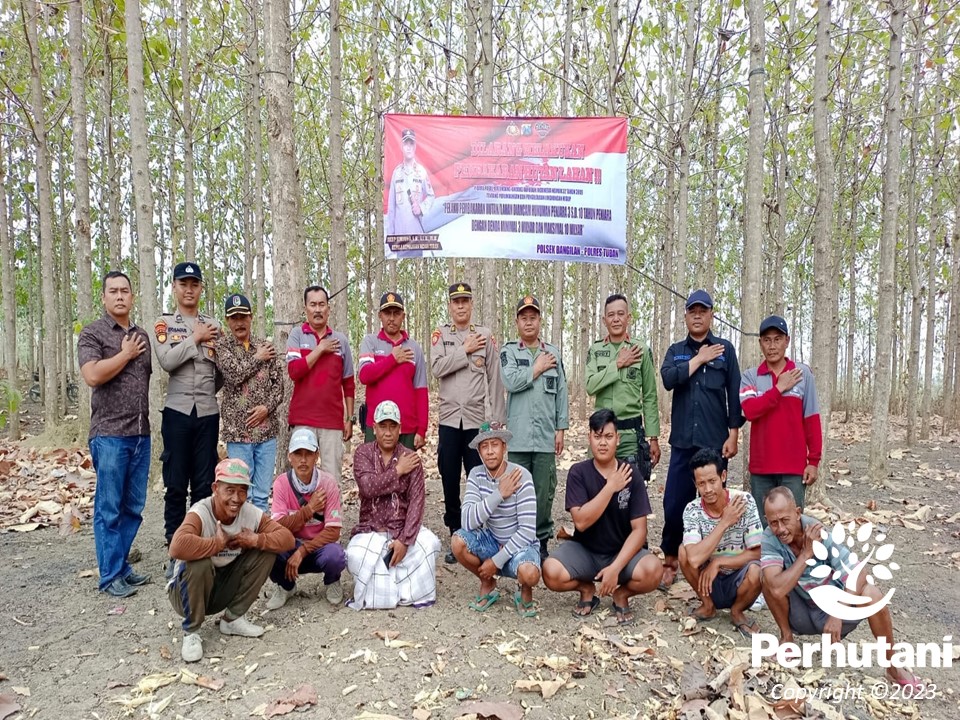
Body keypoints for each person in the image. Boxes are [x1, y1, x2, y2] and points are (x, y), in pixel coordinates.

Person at [760, 487, 921, 688]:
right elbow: (775, 589)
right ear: (767, 521)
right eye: (774, 523)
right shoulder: (769, 537)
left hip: (834, 610)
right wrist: (805, 554)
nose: (781, 529)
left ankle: (892, 667)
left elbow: (860, 573)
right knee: (766, 578)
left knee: (873, 594)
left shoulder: (818, 532)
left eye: (785, 520)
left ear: (798, 513)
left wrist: (837, 613)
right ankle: (787, 639)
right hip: (802, 611)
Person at [167, 458, 295, 662]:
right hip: (186, 594)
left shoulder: (250, 513)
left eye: (242, 491)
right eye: (230, 490)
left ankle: (233, 618)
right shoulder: (201, 512)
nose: (236, 498)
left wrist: (256, 539)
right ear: (215, 488)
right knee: (199, 562)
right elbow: (176, 547)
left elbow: (287, 539)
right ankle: (191, 631)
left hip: (221, 586)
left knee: (267, 549)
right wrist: (216, 545)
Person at [542, 409, 663, 625]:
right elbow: (581, 521)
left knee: (654, 570)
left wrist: (616, 568)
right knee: (550, 572)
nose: (602, 443)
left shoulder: (631, 473)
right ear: (589, 438)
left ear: (618, 439)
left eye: (608, 436)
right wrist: (610, 487)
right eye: (597, 436)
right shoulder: (578, 472)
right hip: (585, 551)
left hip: (622, 554)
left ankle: (621, 594)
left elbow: (640, 530)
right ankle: (586, 588)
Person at [659, 289, 743, 588]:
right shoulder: (676, 351)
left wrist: (734, 433)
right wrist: (698, 359)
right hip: (682, 442)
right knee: (674, 504)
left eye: (703, 310)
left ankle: (712, 560)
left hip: (714, 443)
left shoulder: (725, 350)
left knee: (713, 502)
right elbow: (669, 379)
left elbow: (735, 393)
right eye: (692, 310)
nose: (697, 315)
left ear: (711, 314)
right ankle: (671, 559)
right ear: (685, 315)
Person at [77, 270, 153, 598]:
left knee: (133, 506)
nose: (120, 296)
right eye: (113, 291)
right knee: (109, 507)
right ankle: (109, 576)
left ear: (132, 296)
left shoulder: (143, 336)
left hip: (140, 433)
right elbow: (92, 375)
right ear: (104, 297)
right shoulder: (92, 334)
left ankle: (121, 566)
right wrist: (124, 354)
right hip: (109, 434)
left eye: (125, 290)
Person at [431, 282, 506, 563]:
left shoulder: (485, 336)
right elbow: (437, 368)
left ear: (472, 304)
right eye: (456, 301)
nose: (461, 306)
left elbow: (495, 379)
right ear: (450, 306)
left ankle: (479, 535)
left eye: (465, 301)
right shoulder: (441, 335)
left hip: (477, 421)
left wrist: (497, 423)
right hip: (450, 420)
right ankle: (455, 533)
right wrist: (464, 350)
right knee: (449, 477)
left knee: (478, 478)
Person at [151, 261, 222, 553]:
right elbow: (167, 361)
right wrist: (195, 337)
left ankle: (202, 542)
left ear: (201, 289)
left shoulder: (215, 325)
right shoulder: (164, 324)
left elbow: (220, 372)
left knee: (205, 484)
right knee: (176, 484)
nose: (189, 290)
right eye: (184, 284)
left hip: (207, 412)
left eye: (194, 284)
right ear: (174, 287)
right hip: (178, 412)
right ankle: (175, 545)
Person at [345, 401, 440, 610]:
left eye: (392, 427)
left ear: (400, 429)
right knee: (355, 556)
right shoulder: (363, 453)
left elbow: (417, 502)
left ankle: (394, 588)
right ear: (374, 428)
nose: (388, 433)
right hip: (371, 531)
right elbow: (367, 488)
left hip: (401, 530)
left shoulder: (411, 458)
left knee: (429, 545)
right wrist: (397, 470)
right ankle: (394, 587)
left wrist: (405, 541)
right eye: (383, 426)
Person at [500, 295, 568, 558]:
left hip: (544, 436)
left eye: (533, 317)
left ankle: (540, 541)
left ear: (540, 320)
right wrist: (536, 369)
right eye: (523, 318)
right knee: (515, 490)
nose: (529, 322)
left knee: (543, 490)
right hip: (517, 437)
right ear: (517, 322)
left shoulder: (553, 353)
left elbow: (561, 392)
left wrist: (560, 428)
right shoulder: (509, 351)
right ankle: (516, 540)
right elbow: (511, 381)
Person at [452, 422, 540, 617]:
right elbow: (466, 521)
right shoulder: (476, 474)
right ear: (479, 451)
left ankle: (524, 589)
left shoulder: (521, 476)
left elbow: (527, 531)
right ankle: (488, 582)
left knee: (530, 573)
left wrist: (496, 561)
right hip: (492, 540)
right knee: (458, 542)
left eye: (495, 445)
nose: (490, 452)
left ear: (504, 447)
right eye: (484, 446)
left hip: (520, 547)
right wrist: (499, 494)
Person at [740, 315, 822, 521]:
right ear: (760, 344)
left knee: (793, 524)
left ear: (787, 341)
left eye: (777, 339)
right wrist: (779, 388)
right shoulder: (750, 376)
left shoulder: (802, 374)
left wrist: (813, 460)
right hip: (761, 468)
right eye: (767, 340)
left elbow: (811, 418)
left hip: (793, 467)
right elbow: (750, 411)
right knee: (764, 525)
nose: (772, 345)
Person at [679, 448, 763, 637]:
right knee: (682, 551)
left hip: (739, 578)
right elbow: (692, 559)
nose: (707, 489)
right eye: (701, 484)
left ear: (723, 476)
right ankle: (708, 605)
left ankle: (737, 611)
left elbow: (758, 553)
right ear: (695, 484)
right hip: (707, 582)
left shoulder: (744, 502)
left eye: (712, 481)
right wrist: (724, 522)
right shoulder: (692, 510)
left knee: (758, 570)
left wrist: (718, 562)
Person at [215, 293, 284, 511]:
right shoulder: (222, 347)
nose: (239, 322)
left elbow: (279, 386)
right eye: (234, 318)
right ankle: (241, 538)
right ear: (227, 321)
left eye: (243, 317)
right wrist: (257, 358)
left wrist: (267, 408)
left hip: (266, 432)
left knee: (262, 493)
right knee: (241, 492)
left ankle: (259, 540)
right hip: (238, 433)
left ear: (251, 317)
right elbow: (233, 375)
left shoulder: (266, 347)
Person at [266, 428, 346, 610]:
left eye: (308, 454)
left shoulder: (328, 483)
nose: (303, 460)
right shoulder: (281, 483)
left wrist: (303, 551)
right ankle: (286, 586)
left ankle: (332, 581)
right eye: (298, 453)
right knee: (269, 550)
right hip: (291, 546)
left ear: (316, 456)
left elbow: (334, 531)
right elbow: (276, 527)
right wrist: (308, 510)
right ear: (289, 457)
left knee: (337, 556)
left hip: (319, 548)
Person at [586, 293, 660, 483]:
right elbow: (590, 386)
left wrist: (653, 438)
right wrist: (617, 364)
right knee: (597, 490)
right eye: (611, 315)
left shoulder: (641, 350)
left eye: (621, 314)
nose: (616, 319)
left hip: (630, 437)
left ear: (629, 317)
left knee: (631, 493)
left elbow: (650, 396)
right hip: (601, 435)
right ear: (604, 320)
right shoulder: (595, 350)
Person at [286, 285, 356, 479]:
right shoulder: (297, 335)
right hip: (302, 421)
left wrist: (349, 418)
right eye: (313, 305)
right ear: (305, 309)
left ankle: (333, 512)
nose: (317, 309)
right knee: (302, 477)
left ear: (329, 309)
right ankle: (305, 511)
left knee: (332, 479)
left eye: (322, 305)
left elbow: (348, 383)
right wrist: (319, 349)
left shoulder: (340, 340)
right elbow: (294, 371)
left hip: (332, 422)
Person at [357, 292, 428, 450]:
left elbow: (421, 390)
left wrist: (422, 429)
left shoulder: (414, 348)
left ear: (403, 316)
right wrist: (392, 359)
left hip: (407, 426)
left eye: (396, 313)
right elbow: (364, 375)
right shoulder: (370, 342)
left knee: (406, 473)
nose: (391, 318)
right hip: (376, 426)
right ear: (380, 316)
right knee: (374, 472)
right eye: (387, 313)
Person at [386, 128, 435, 235]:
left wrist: (421, 208)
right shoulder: (396, 173)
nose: (408, 147)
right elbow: (391, 207)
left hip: (417, 235)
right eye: (406, 144)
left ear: (415, 146)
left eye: (411, 144)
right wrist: (390, 234)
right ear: (401, 147)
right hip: (400, 238)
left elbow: (431, 196)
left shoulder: (421, 172)